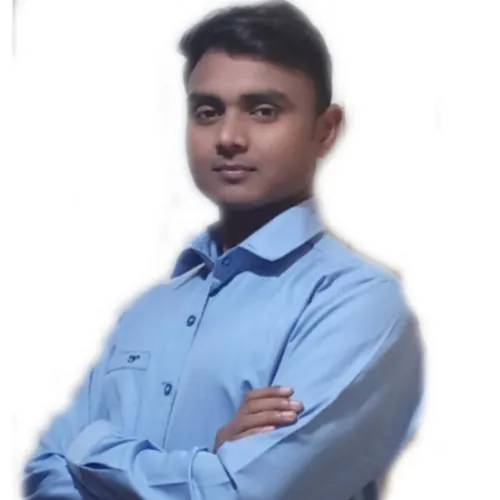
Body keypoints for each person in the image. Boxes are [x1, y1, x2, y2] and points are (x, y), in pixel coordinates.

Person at [23, 1, 423, 499]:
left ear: (325, 129)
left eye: (263, 111)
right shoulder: (148, 312)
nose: (229, 137)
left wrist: (92, 451)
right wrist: (203, 463)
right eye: (208, 112)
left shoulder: (355, 302)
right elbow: (44, 473)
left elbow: (242, 491)